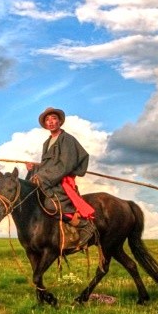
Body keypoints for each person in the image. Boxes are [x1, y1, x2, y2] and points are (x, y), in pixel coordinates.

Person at [25, 107, 97, 250]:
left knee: (50, 204)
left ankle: (84, 225)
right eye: (47, 120)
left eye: (53, 118)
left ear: (59, 121)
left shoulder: (67, 140)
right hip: (50, 177)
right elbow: (47, 165)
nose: (50, 122)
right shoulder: (47, 143)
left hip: (61, 179)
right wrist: (33, 169)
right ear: (45, 124)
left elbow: (65, 165)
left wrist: (43, 176)